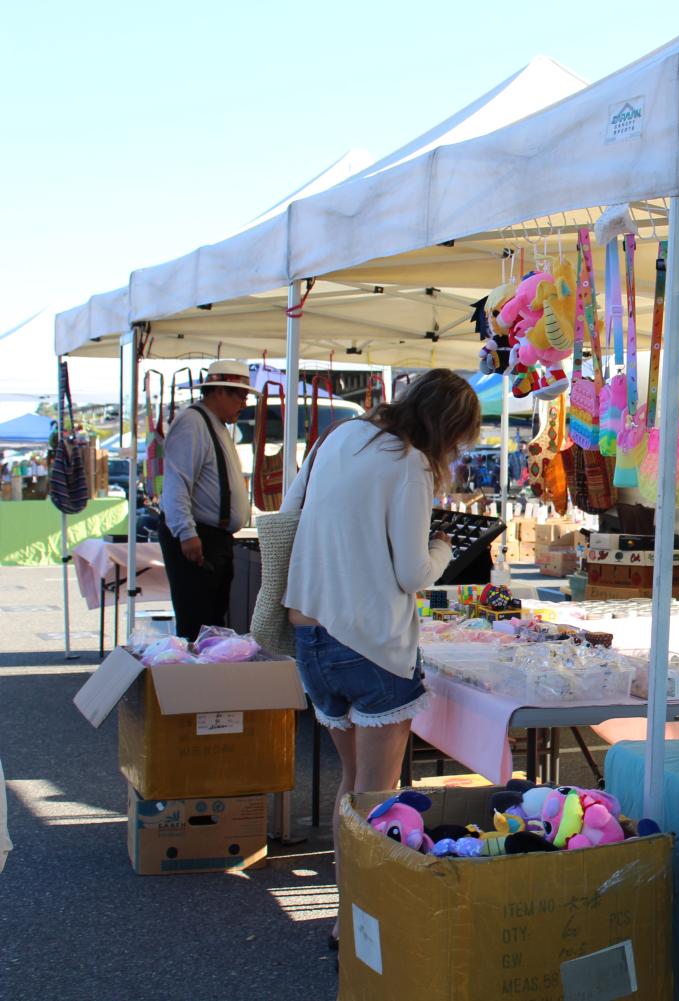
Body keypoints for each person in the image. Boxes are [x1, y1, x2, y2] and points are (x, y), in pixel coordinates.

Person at [279, 368, 480, 949]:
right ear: (447, 429)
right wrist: (444, 546)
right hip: (369, 642)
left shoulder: (340, 435)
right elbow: (412, 572)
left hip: (311, 635)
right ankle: (363, 922)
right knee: (378, 795)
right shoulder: (412, 464)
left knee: (354, 785)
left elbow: (292, 512)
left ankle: (351, 906)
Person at [158, 360, 254, 640]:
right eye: (239, 395)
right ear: (218, 392)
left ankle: (205, 676)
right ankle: (195, 679)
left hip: (213, 536)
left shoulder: (215, 424)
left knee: (210, 619)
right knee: (197, 620)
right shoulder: (193, 423)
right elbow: (177, 483)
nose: (243, 403)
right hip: (200, 535)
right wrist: (187, 533)